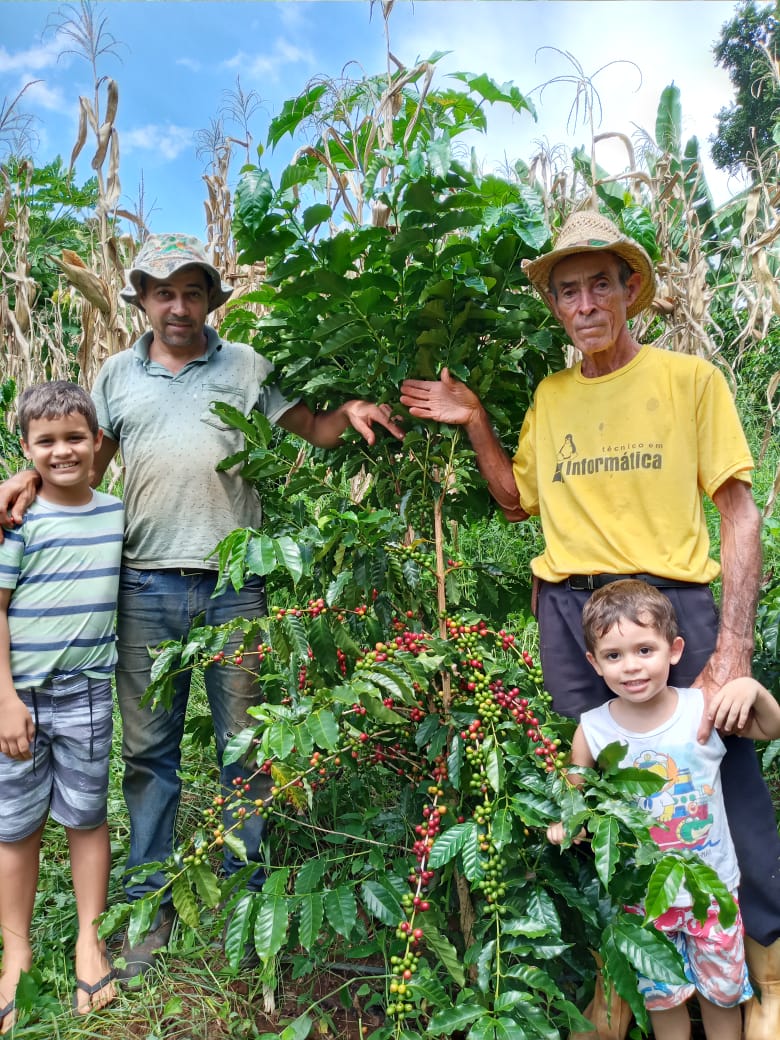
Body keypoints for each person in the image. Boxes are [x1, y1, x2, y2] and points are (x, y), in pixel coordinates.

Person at [399, 209, 780, 1040]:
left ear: (629, 289)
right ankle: (632, 965)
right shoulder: (552, 394)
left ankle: (765, 973)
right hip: (573, 608)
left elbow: (740, 516)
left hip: (670, 603)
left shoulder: (690, 383)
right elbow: (515, 498)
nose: (583, 304)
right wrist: (476, 422)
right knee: (605, 779)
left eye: (598, 283)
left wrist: (734, 648)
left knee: (725, 769)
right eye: (566, 290)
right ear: (556, 306)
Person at [0, 233, 404, 982]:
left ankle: (247, 893)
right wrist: (26, 482)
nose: (176, 305)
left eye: (191, 290)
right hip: (143, 586)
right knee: (149, 753)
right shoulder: (117, 374)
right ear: (143, 302)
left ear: (213, 299)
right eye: (161, 292)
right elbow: (88, 462)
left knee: (244, 748)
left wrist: (346, 411)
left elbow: (309, 428)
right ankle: (148, 902)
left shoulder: (246, 365)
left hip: (234, 586)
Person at [547, 580, 780, 1040]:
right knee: (663, 1001)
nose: (631, 666)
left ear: (673, 650)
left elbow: (771, 730)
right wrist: (568, 824)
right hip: (644, 900)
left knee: (721, 998)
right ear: (594, 662)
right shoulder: (592, 730)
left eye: (644, 650)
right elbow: (576, 795)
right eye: (614, 656)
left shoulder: (702, 709)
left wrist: (753, 689)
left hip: (712, 894)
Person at [0, 382, 124, 1031]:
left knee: (86, 816)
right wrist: (4, 699)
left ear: (97, 442)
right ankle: (15, 950)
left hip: (86, 695)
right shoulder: (16, 520)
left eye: (75, 437)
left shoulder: (115, 515)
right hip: (19, 698)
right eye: (45, 442)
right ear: (26, 448)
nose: (62, 450)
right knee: (16, 826)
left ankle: (88, 936)